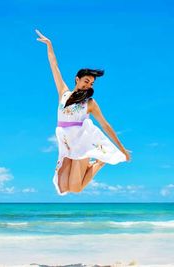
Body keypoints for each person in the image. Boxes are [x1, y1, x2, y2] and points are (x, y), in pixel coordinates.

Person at [36, 29, 132, 196]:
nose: (89, 85)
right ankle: (97, 161)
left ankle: (100, 161)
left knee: (76, 188)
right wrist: (49, 45)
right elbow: (54, 66)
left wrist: (121, 148)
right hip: (66, 143)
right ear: (77, 79)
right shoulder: (64, 93)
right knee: (64, 186)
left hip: (82, 143)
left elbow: (105, 124)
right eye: (86, 81)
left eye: (92, 83)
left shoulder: (89, 103)